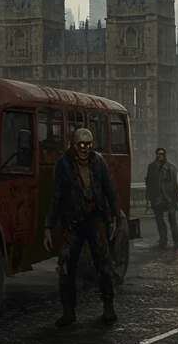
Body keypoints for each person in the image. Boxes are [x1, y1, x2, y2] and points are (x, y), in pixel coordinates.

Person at [43, 127, 121, 327]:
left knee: (103, 264)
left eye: (88, 144)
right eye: (81, 145)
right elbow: (56, 196)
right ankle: (69, 311)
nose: (85, 149)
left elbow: (110, 190)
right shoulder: (63, 164)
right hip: (74, 223)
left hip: (96, 221)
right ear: (74, 145)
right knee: (66, 267)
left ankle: (108, 306)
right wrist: (48, 226)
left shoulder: (98, 161)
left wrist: (114, 218)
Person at [144, 147, 178, 249]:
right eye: (158, 153)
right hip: (157, 197)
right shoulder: (151, 167)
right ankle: (163, 239)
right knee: (159, 220)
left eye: (162, 154)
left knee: (172, 219)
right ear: (156, 154)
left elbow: (175, 185)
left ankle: (176, 240)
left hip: (170, 197)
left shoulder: (171, 168)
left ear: (164, 155)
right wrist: (148, 199)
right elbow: (149, 184)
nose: (160, 155)